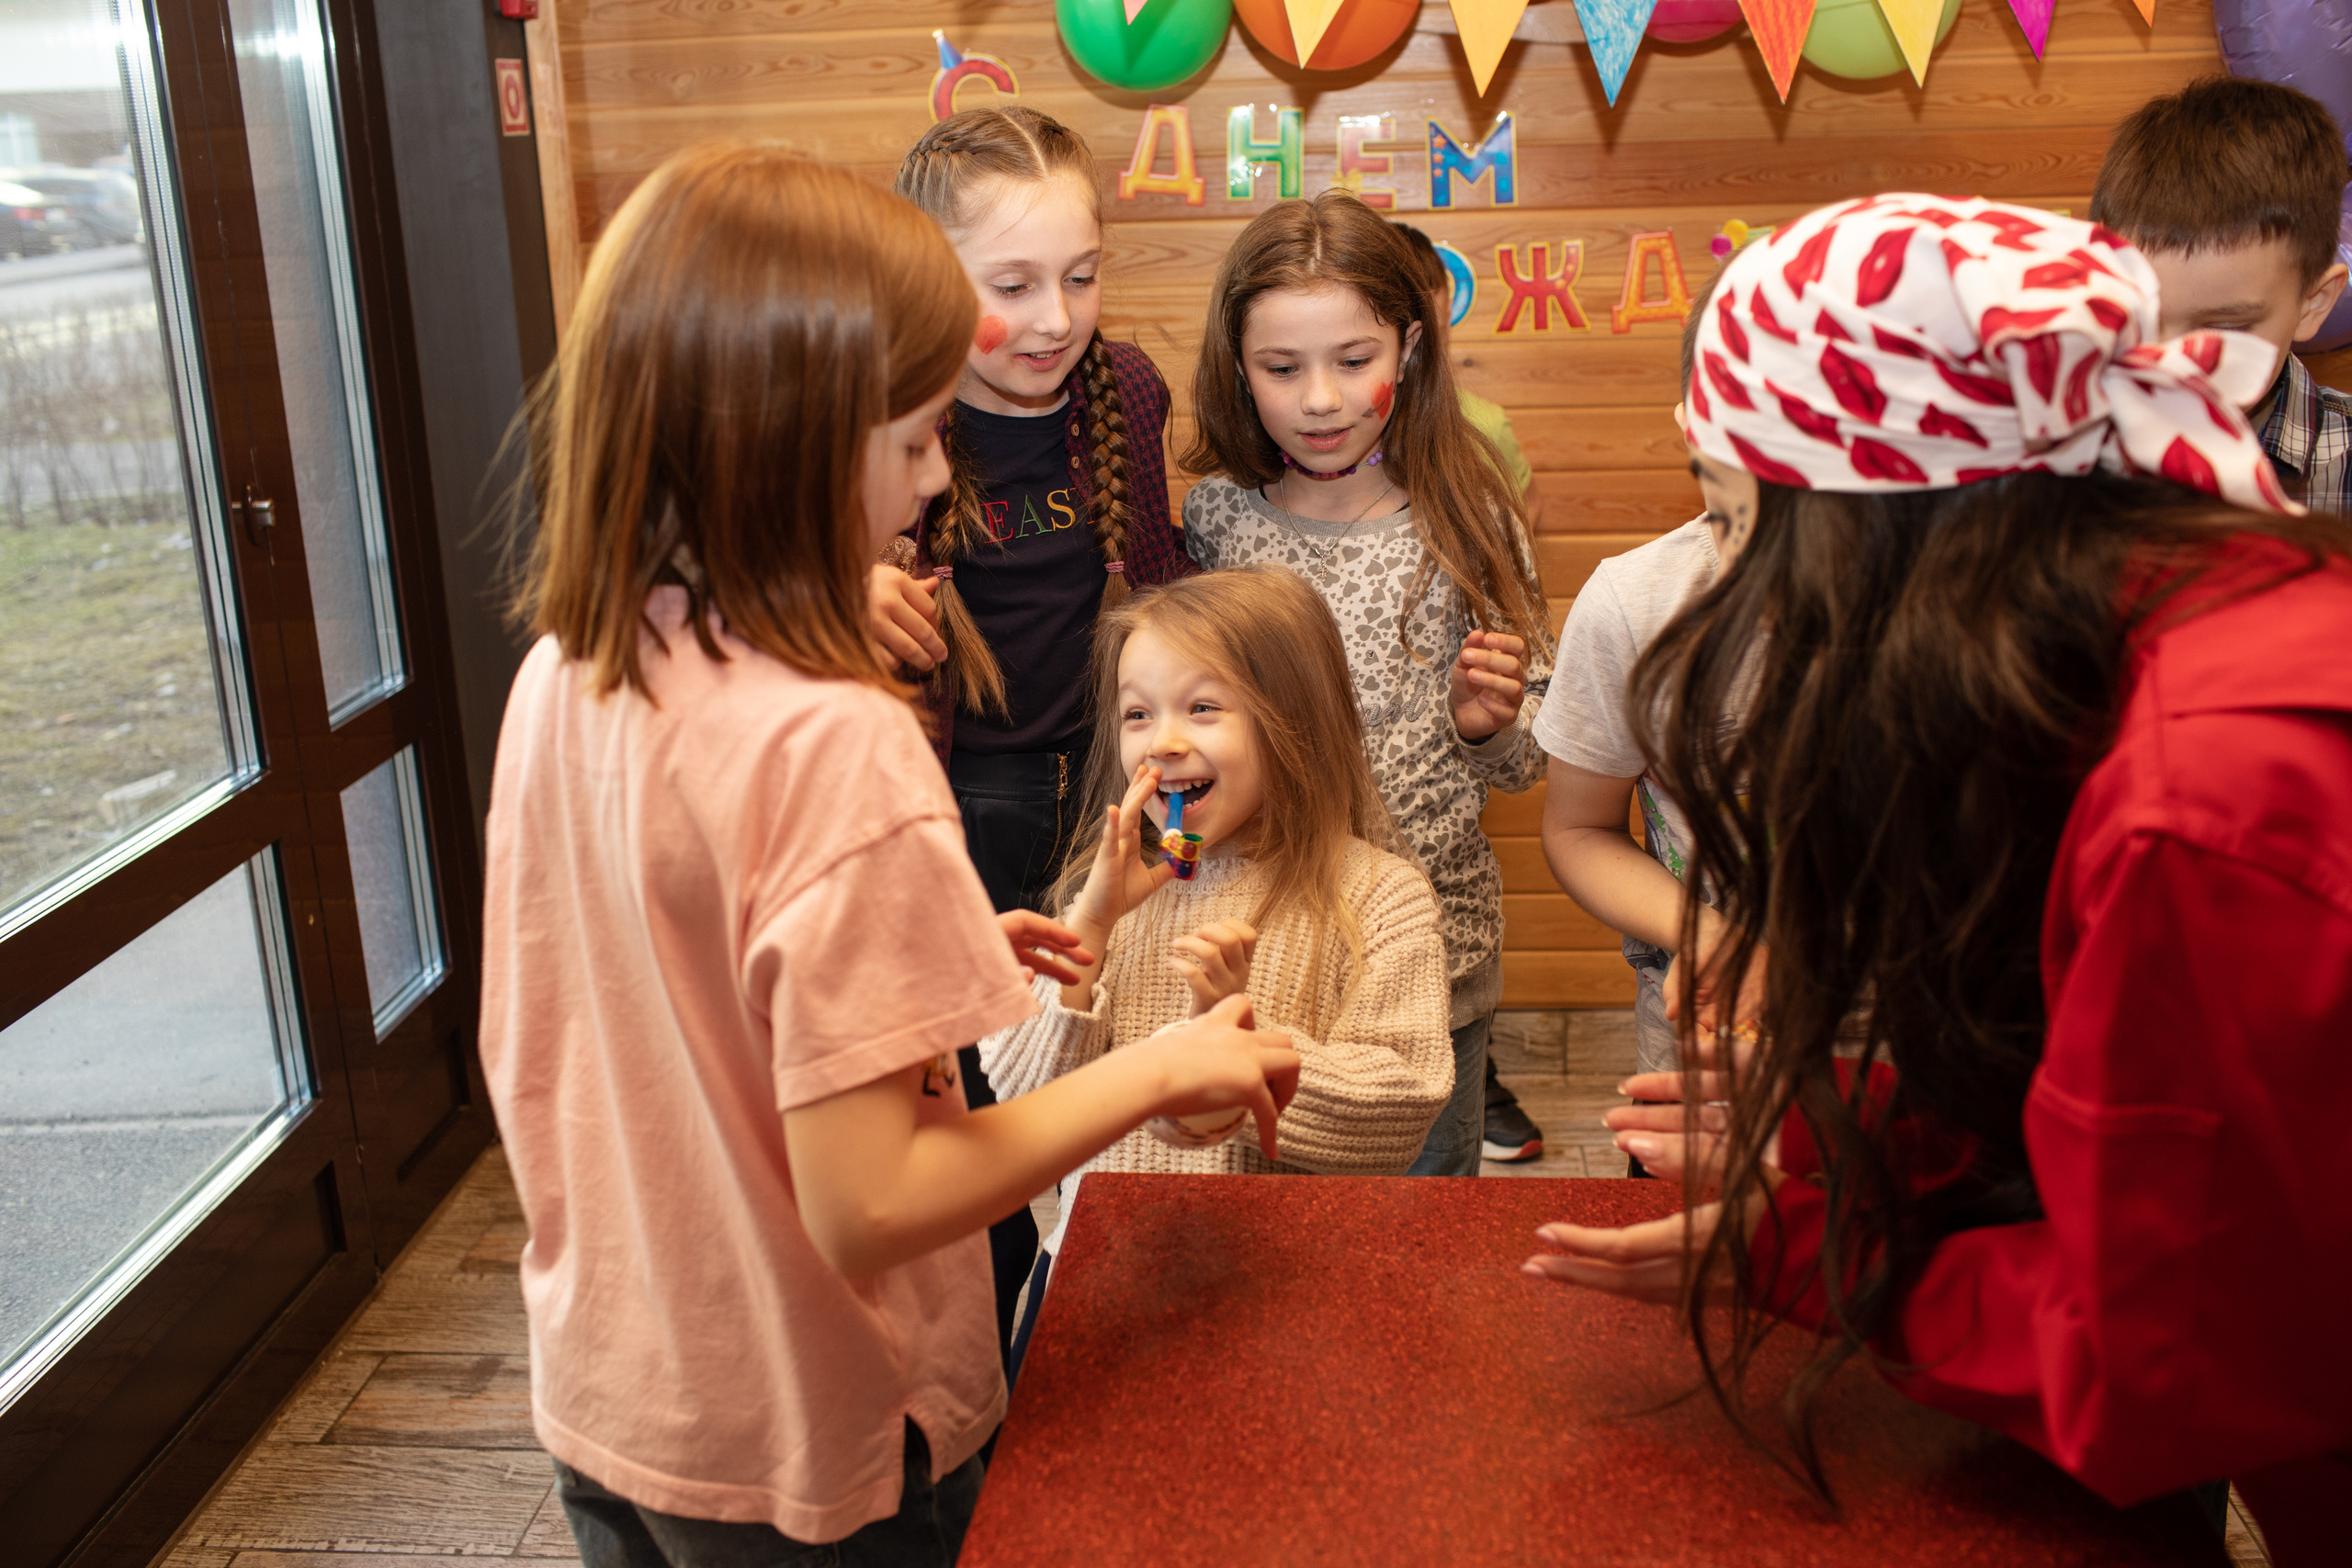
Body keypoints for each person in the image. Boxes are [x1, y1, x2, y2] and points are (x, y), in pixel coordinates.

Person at [480, 143, 1298, 1568]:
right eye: (917, 435)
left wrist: (946, 963)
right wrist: (1162, 1068)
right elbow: (871, 1199)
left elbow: (669, 989)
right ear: (788, 435)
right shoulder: (836, 738)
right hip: (819, 1431)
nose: (934, 480)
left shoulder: (572, 660)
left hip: (619, 1383)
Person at [1520, 194, 2352, 1563]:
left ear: (1890, 523)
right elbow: (2149, 1110)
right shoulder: (2152, 640)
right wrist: (1860, 1138)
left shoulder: (2209, 796)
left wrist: (1823, 1253)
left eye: (1744, 524)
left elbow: (2178, 1356)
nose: (1727, 580)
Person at [882, 105, 1194, 1359]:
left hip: (1098, 792)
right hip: (959, 800)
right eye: (1013, 284)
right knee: (972, 1091)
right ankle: (974, 1336)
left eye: (1081, 273)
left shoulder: (1118, 389)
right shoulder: (888, 414)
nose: (1058, 316)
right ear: (924, 275)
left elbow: (1161, 584)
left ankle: (1060, 1335)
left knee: (1084, 1064)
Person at [984, 566, 1453, 1373]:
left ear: (1293, 721)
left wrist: (1243, 1041)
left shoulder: (1381, 895)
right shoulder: (1105, 894)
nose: (1163, 740)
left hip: (1287, 1299)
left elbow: (1401, 1104)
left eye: (1202, 707)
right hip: (1097, 1287)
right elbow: (1020, 1104)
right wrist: (1090, 925)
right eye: (1138, 713)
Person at [1181, 191, 1555, 1178]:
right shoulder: (1216, 523)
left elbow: (1528, 764)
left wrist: (1488, 727)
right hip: (1261, 958)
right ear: (1237, 368)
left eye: (1354, 361)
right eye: (1281, 367)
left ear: (1411, 352)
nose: (1319, 399)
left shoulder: (1471, 518)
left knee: (1418, 1255)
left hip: (1434, 965)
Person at [1533, 269, 1762, 1179]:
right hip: (1695, 1064)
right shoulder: (1634, 605)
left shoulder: (1938, 601)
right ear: (1694, 431)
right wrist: (1708, 935)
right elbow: (1579, 828)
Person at [1394, 219, 1545, 1165]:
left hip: (1440, 938)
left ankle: (1476, 1086)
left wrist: (1484, 717)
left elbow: (1526, 709)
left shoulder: (1477, 450)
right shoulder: (1225, 512)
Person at [2090, 75, 2352, 511]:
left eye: (2223, 328)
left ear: (2313, 302)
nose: (2169, 365)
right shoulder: (2053, 450)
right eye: (2135, 315)